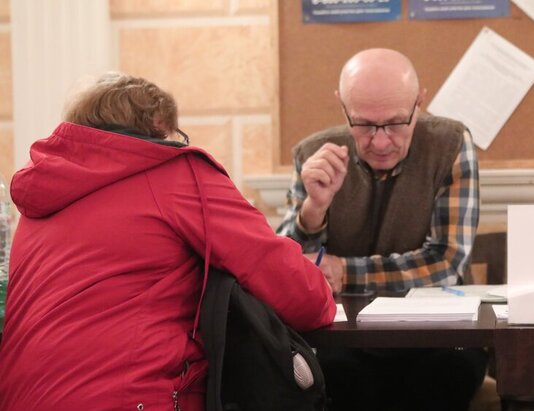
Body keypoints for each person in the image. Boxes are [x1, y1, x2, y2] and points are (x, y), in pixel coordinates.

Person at [0, 73, 335, 410]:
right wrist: (321, 286)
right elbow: (303, 297)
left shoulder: (40, 198)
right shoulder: (176, 174)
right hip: (129, 399)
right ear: (159, 125)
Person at [278, 48, 486, 411]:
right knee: (337, 380)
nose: (380, 141)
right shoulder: (314, 155)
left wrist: (345, 271)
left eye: (395, 123)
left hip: (437, 338)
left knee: (442, 378)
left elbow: (445, 263)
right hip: (345, 340)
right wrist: (313, 209)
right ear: (342, 106)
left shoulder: (450, 144)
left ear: (419, 104)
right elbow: (283, 270)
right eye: (363, 124)